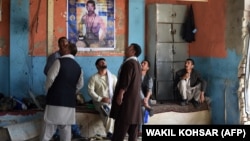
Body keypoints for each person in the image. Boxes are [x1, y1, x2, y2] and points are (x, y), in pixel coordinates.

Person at [43, 37, 86, 140]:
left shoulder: (59, 62)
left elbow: (50, 78)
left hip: (55, 100)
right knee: (66, 129)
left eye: (65, 46)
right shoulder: (78, 67)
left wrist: (49, 90)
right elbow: (80, 85)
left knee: (48, 128)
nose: (62, 48)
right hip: (69, 102)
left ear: (68, 50)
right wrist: (70, 91)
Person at [110, 43, 142, 141]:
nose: (126, 48)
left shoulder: (129, 64)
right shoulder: (137, 64)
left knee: (119, 131)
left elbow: (125, 81)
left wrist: (120, 94)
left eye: (129, 47)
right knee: (133, 134)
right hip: (135, 104)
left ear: (133, 51)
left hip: (126, 104)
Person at [88, 58, 117, 139]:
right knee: (107, 111)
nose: (103, 63)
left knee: (116, 111)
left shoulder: (113, 77)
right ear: (97, 66)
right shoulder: (94, 78)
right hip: (99, 102)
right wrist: (101, 98)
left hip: (111, 101)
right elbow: (90, 91)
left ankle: (115, 133)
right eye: (101, 62)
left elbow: (117, 90)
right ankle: (110, 133)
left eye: (104, 61)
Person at [139, 59, 154, 136]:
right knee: (137, 88)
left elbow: (149, 90)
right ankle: (146, 104)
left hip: (144, 99)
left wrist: (146, 99)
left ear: (148, 68)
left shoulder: (149, 78)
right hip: (135, 98)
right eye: (141, 63)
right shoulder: (136, 75)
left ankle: (141, 130)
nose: (142, 64)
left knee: (143, 109)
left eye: (144, 63)